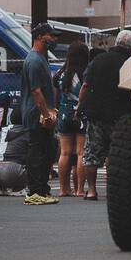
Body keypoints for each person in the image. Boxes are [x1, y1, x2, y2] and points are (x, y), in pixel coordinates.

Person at [79, 29, 131, 201]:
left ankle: (91, 191)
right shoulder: (130, 63)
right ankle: (113, 190)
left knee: (91, 153)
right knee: (115, 153)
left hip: (95, 113)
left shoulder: (98, 60)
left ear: (116, 42)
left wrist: (79, 106)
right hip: (120, 114)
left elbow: (86, 86)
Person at [20, 22, 59, 204]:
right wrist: (45, 114)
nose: (54, 39)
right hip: (37, 113)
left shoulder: (41, 58)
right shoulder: (34, 60)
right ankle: (34, 192)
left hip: (42, 112)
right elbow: (36, 91)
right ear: (39, 37)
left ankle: (42, 191)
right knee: (37, 152)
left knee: (45, 151)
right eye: (50, 35)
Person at [53, 40, 90, 197]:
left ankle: (63, 189)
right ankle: (80, 189)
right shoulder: (85, 72)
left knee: (65, 153)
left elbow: (56, 91)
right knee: (81, 153)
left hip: (64, 113)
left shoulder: (61, 73)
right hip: (80, 113)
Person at [0, 107, 29, 196]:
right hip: (13, 171)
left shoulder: (4, 130)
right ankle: (18, 189)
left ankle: (2, 188)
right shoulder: (27, 131)